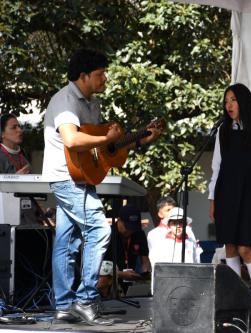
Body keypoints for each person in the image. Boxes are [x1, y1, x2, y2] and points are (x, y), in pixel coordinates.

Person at [42, 48, 161, 325]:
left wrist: (140, 139)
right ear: (83, 76)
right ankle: (85, 300)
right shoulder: (66, 100)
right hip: (67, 177)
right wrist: (105, 137)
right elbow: (72, 140)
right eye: (99, 74)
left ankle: (63, 306)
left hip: (81, 176)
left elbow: (102, 147)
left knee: (66, 242)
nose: (104, 78)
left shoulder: (90, 104)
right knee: (99, 229)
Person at [208, 83, 251, 316]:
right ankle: (238, 299)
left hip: (248, 195)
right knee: (230, 246)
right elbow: (216, 167)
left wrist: (246, 174)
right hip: (225, 194)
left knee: (246, 246)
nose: (228, 105)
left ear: (243, 102)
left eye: (233, 100)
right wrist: (212, 198)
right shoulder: (222, 131)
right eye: (226, 101)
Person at [100, 204, 151, 296]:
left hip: (132, 283)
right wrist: (120, 274)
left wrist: (145, 273)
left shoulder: (139, 234)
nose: (130, 231)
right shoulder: (107, 235)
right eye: (127, 227)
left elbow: (145, 259)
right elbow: (99, 267)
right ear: (119, 220)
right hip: (109, 284)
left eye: (133, 228)